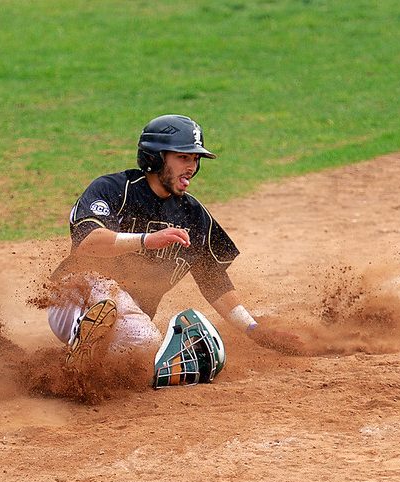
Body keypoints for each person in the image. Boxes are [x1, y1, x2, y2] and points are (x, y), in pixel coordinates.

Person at [47, 114, 304, 387]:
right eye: (183, 157)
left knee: (146, 344)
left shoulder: (194, 216)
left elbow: (214, 281)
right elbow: (89, 243)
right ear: (156, 158)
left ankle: (86, 363)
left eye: (195, 159)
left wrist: (253, 329)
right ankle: (84, 334)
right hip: (74, 297)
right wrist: (146, 239)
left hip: (130, 322)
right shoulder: (114, 190)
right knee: (108, 297)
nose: (191, 167)